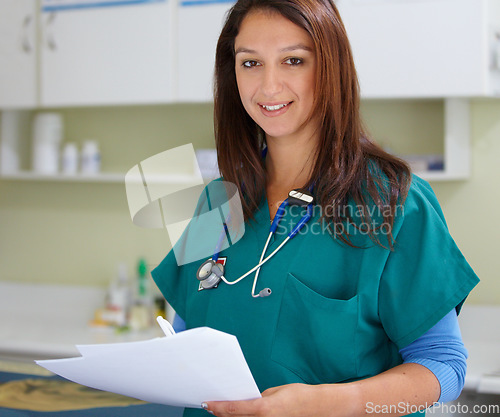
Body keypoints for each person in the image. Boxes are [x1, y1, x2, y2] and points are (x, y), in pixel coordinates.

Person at [152, 1, 479, 416]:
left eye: (293, 60)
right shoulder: (215, 203)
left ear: (330, 68)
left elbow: (444, 364)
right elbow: (183, 336)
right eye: (250, 63)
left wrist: (326, 403)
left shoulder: (395, 203)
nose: (268, 86)